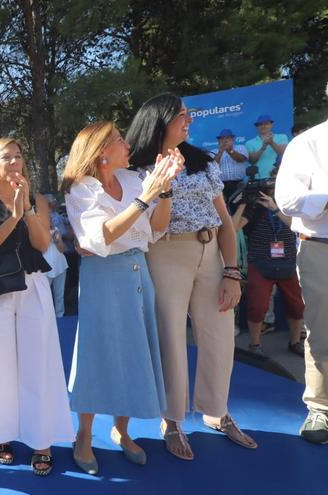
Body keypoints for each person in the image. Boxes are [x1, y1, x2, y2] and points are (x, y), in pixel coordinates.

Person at [127, 93, 257, 460]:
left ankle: (218, 410)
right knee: (170, 337)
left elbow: (226, 223)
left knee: (220, 336)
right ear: (160, 121)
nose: (189, 121)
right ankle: (172, 420)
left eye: (189, 115)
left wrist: (232, 271)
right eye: (182, 115)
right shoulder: (136, 169)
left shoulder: (202, 162)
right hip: (165, 252)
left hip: (211, 251)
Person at [63, 122, 183, 473]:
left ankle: (122, 430)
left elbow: (158, 227)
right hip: (103, 276)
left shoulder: (132, 180)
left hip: (137, 270)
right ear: (101, 151)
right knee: (96, 352)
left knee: (134, 350)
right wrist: (147, 196)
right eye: (118, 140)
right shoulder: (81, 189)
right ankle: (83, 437)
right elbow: (100, 236)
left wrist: (166, 190)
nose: (126, 144)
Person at [0, 137, 74, 476]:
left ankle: (40, 440)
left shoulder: (36, 199)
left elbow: (43, 243)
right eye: (7, 158)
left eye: (18, 156)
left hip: (32, 285)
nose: (15, 163)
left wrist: (26, 209)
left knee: (37, 364)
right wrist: (12, 217)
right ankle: (2, 434)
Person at [275, 85, 328, 444]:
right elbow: (287, 198)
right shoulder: (308, 143)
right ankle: (321, 409)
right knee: (323, 329)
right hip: (320, 247)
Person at [230, 190, 305, 356]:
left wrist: (275, 208)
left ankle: (295, 342)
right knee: (257, 306)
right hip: (260, 262)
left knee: (297, 306)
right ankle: (255, 344)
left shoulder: (290, 205)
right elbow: (233, 228)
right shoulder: (255, 208)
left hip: (288, 263)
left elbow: (295, 226)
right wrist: (244, 204)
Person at [212, 129, 249, 203]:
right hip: (220, 185)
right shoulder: (214, 151)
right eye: (222, 138)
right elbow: (212, 166)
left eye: (227, 138)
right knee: (225, 208)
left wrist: (230, 151)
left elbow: (241, 159)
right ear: (218, 140)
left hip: (238, 184)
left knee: (239, 206)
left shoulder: (241, 147)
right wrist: (220, 151)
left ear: (233, 139)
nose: (225, 140)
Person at [246, 114, 288, 179]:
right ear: (256, 127)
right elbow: (252, 161)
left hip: (279, 176)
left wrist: (271, 143)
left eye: (266, 123)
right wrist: (263, 147)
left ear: (272, 124)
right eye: (260, 124)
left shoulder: (282, 137)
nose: (263, 126)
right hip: (258, 178)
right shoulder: (249, 143)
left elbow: (284, 154)